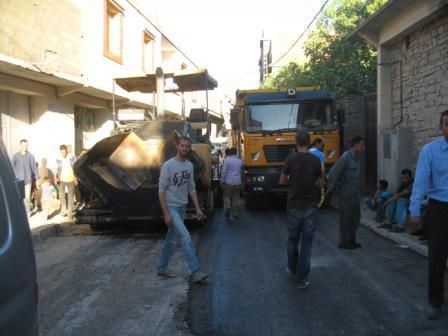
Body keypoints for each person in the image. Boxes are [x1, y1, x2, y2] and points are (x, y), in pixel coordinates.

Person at [409, 110, 448, 320]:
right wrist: (415, 210)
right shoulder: (431, 151)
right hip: (439, 210)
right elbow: (421, 182)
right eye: (447, 124)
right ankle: (435, 302)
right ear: (441, 128)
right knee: (437, 260)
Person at [157, 135, 209, 283]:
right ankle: (196, 272)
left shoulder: (189, 166)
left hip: (182, 207)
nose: (185, 148)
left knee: (171, 240)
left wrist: (198, 208)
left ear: (190, 148)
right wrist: (166, 214)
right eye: (182, 146)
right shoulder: (168, 166)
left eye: (187, 146)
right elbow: (160, 191)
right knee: (185, 237)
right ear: (177, 146)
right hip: (172, 208)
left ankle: (161, 268)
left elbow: (191, 188)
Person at [279, 130, 323, 289]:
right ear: (309, 142)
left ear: (296, 142)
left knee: (293, 239)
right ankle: (302, 279)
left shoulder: (290, 159)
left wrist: (291, 178)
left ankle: (292, 268)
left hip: (293, 205)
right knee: (307, 243)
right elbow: (320, 183)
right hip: (310, 205)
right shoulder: (316, 160)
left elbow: (282, 181)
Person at [327, 136, 365, 249]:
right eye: (362, 145)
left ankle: (351, 240)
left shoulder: (356, 157)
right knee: (346, 218)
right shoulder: (346, 157)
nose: (363, 148)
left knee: (355, 217)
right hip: (346, 194)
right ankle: (344, 241)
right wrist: (330, 188)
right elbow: (334, 172)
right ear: (355, 145)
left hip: (355, 194)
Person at [11, 139, 39, 215]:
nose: (25, 147)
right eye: (23, 145)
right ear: (20, 145)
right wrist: (13, 177)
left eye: (26, 145)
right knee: (18, 197)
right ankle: (18, 212)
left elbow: (34, 168)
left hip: (27, 180)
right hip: (18, 181)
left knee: (27, 197)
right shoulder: (15, 156)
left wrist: (37, 178)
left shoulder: (31, 156)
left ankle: (27, 212)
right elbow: (11, 167)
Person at [220, 147, 243, 220]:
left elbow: (224, 172)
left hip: (228, 182)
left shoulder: (226, 160)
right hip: (237, 182)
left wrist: (221, 180)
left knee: (226, 196)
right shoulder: (240, 161)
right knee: (236, 198)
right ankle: (235, 214)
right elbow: (241, 171)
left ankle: (228, 207)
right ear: (236, 153)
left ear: (229, 153)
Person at [55, 144, 76, 219]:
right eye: (61, 152)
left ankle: (70, 214)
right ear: (60, 152)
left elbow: (75, 167)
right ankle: (64, 209)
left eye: (64, 152)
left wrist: (75, 178)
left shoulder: (72, 156)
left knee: (71, 197)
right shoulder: (58, 158)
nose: (63, 153)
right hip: (62, 179)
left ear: (66, 151)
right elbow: (57, 169)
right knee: (61, 195)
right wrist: (55, 178)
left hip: (71, 179)